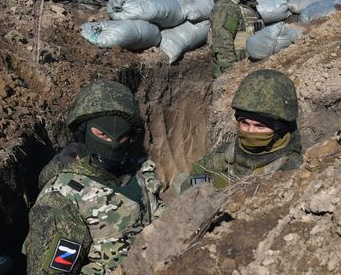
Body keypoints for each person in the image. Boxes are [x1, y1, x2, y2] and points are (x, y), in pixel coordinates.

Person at [22, 79, 164, 274]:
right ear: (84, 131)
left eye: (121, 137)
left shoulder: (136, 170)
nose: (113, 144)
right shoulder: (62, 198)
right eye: (103, 135)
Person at [173, 69, 302, 195]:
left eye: (259, 126)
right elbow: (199, 170)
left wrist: (218, 189)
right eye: (245, 123)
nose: (250, 132)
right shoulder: (230, 150)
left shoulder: (288, 169)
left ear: (279, 130)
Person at [210, 0, 266, 78]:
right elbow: (223, 47)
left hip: (250, 71)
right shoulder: (226, 8)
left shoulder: (246, 5)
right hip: (235, 75)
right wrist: (231, 77)